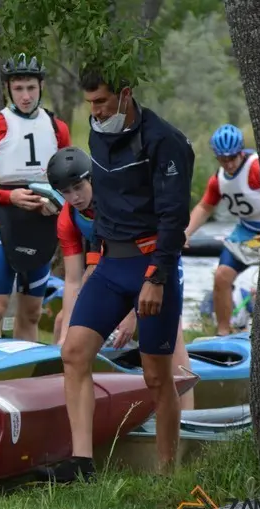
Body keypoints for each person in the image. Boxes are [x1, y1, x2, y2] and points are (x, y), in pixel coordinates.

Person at [40, 68, 194, 483]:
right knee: (72, 351)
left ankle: (166, 476)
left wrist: (157, 277)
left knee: (157, 377)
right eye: (90, 103)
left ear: (125, 94)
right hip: (110, 265)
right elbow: (104, 203)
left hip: (150, 267)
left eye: (102, 102)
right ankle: (83, 463)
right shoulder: (96, 134)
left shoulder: (165, 141)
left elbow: (174, 217)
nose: (95, 110)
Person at [48, 146, 194, 411]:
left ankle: (187, 420)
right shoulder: (68, 218)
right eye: (65, 192)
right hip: (114, 265)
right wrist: (67, 335)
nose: (74, 197)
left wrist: (132, 315)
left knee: (173, 341)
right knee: (65, 324)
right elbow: (73, 279)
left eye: (78, 187)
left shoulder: (116, 200)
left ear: (92, 178)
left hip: (157, 262)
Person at [0, 52, 71, 342]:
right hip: (6, 219)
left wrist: (59, 204)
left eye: (31, 88)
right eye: (19, 88)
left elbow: (68, 177)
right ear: (8, 89)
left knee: (32, 311)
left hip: (42, 221)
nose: (25, 96)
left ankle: (25, 378)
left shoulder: (57, 128)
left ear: (41, 87)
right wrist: (7, 198)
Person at [184, 124, 260, 336]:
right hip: (247, 231)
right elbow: (205, 207)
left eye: (232, 158)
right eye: (222, 159)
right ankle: (223, 332)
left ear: (240, 152)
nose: (228, 164)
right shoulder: (218, 179)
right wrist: (185, 233)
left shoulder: (256, 168)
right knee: (221, 277)